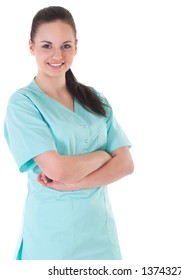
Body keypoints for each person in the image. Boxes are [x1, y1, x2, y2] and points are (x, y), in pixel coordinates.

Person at [4, 6, 134, 260]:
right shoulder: (23, 104)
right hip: (52, 239)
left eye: (65, 45)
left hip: (101, 238)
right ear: (31, 47)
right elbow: (57, 171)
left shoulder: (95, 99)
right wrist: (102, 157)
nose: (56, 55)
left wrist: (72, 184)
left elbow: (126, 164)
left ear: (76, 47)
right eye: (46, 46)